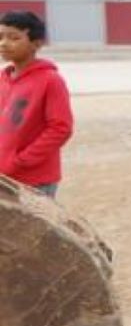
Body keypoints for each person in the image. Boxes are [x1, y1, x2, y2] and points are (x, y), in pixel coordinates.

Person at [0, 10, 73, 199]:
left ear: (36, 44)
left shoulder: (50, 80)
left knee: (32, 228)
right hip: (4, 177)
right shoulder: (3, 78)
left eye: (14, 38)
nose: (4, 43)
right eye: (1, 37)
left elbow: (60, 128)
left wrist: (20, 161)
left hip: (35, 180)